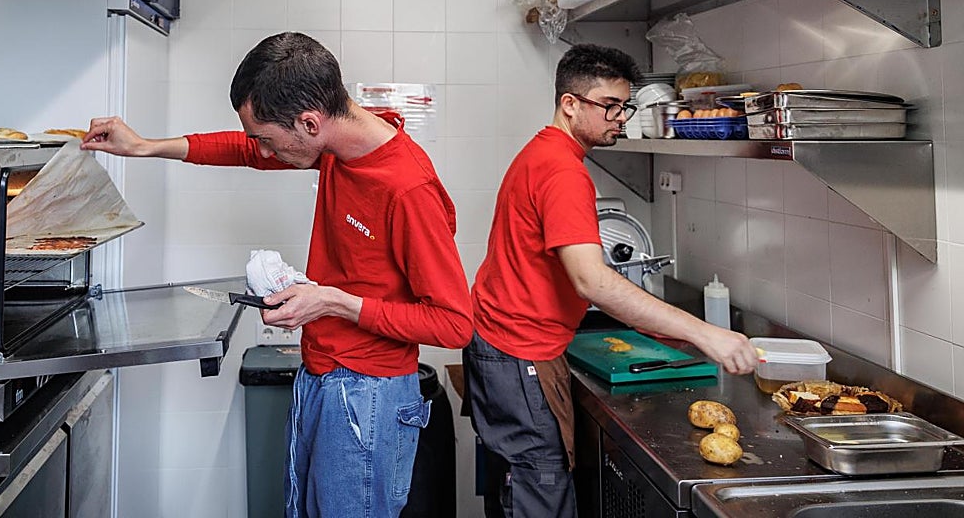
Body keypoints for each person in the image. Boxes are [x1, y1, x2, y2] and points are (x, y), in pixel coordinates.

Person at [82, 31, 473, 518]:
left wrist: (332, 302)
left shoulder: (407, 189)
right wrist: (143, 147)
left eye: (268, 138)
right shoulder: (338, 143)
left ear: (310, 122)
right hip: (323, 377)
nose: (263, 150)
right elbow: (245, 150)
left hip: (369, 397)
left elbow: (454, 323)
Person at [464, 43, 757, 517]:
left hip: (502, 347)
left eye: (626, 106)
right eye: (610, 106)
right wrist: (706, 333)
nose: (621, 118)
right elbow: (592, 282)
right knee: (539, 493)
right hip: (519, 354)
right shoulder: (562, 171)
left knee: (522, 488)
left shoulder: (544, 153)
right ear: (570, 104)